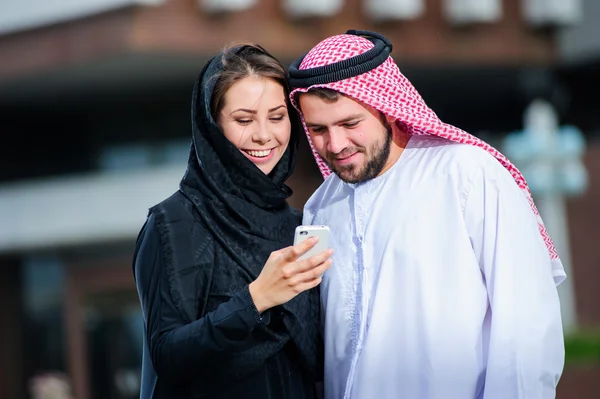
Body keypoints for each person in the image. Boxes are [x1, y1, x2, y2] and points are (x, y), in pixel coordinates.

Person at [288, 30, 565, 399]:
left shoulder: (467, 174)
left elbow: (526, 326)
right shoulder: (322, 205)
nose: (334, 145)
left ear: (386, 105)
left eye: (350, 124)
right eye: (318, 129)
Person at [133, 43, 332, 399]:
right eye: (243, 120)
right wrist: (256, 299)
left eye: (276, 116)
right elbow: (167, 355)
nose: (264, 135)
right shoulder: (174, 224)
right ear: (212, 127)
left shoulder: (298, 224)